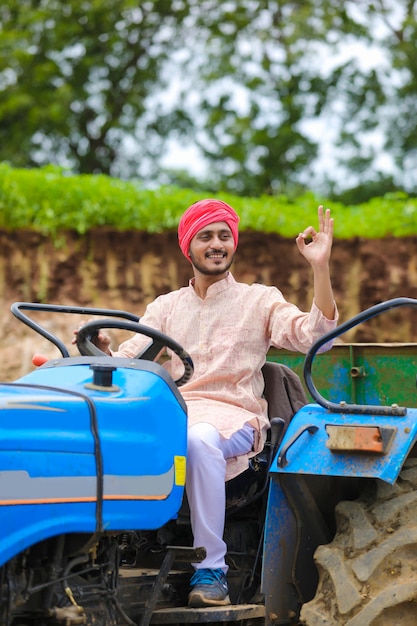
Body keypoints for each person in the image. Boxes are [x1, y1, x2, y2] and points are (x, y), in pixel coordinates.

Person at [76, 199, 338, 608]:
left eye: (224, 236)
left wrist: (319, 267)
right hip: (175, 414)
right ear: (189, 247)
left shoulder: (259, 299)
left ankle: (211, 570)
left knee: (199, 439)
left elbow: (317, 338)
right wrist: (102, 351)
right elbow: (129, 362)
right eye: (206, 236)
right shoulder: (166, 307)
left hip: (235, 418)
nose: (217, 244)